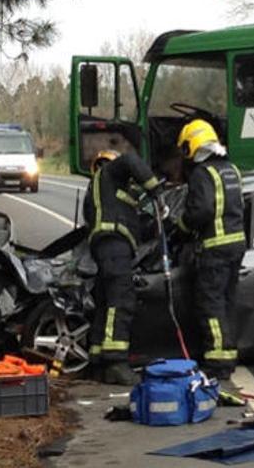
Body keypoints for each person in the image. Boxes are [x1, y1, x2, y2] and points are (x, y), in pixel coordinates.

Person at [83, 149, 161, 385]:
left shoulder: (101, 193)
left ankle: (98, 362)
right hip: (114, 245)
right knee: (121, 301)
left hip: (106, 248)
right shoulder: (109, 173)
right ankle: (116, 362)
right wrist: (155, 189)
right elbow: (129, 159)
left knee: (106, 304)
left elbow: (131, 220)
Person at [177, 119, 246, 380]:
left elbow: (202, 210)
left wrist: (182, 226)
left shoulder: (202, 174)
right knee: (227, 302)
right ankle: (228, 356)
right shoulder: (231, 170)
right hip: (235, 245)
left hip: (215, 248)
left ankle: (217, 361)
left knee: (210, 303)